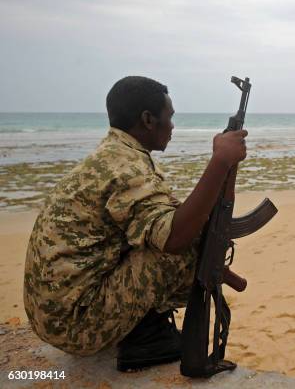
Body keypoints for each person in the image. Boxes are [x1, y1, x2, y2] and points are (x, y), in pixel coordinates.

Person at [23, 76, 248, 371]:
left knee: (187, 236)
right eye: (169, 117)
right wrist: (219, 162)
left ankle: (141, 329)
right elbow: (174, 238)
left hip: (53, 315)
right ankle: (147, 339)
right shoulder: (127, 169)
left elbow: (167, 216)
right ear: (147, 120)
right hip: (75, 326)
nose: (172, 126)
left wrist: (227, 167)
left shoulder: (113, 155)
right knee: (182, 251)